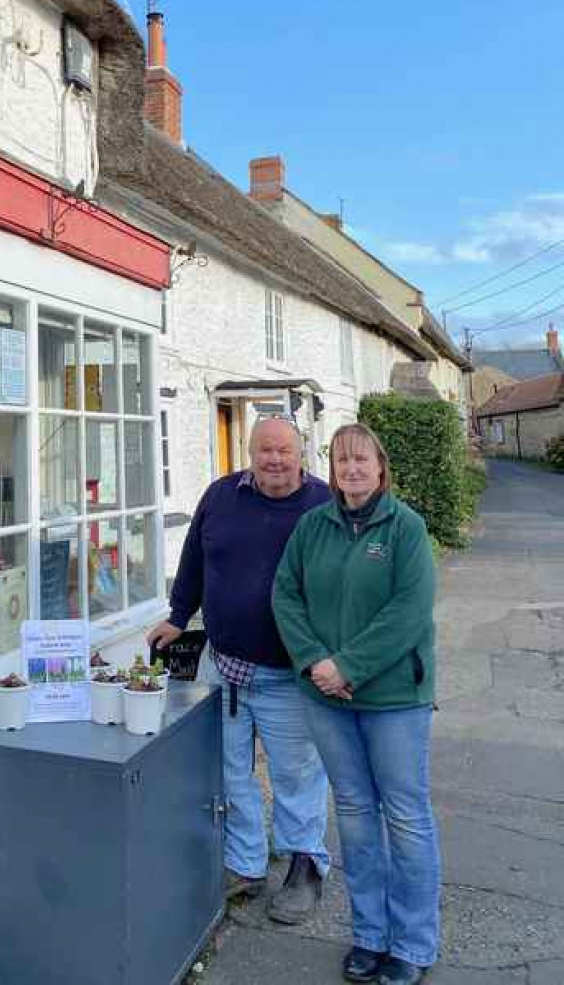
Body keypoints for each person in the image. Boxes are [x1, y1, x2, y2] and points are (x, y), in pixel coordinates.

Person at [147, 415, 332, 924]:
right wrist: (177, 617)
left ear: (301, 454)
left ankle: (305, 865)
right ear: (250, 452)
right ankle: (246, 863)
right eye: (264, 449)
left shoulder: (322, 505)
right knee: (231, 772)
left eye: (284, 450)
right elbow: (194, 562)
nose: (274, 459)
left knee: (296, 776)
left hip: (288, 676)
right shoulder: (221, 495)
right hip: (223, 667)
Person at [272, 423, 439, 985]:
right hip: (327, 699)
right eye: (342, 461)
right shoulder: (311, 527)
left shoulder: (406, 528)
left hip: (394, 700)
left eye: (361, 460)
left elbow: (408, 612)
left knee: (406, 817)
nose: (352, 469)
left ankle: (413, 944)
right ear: (333, 469)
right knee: (355, 816)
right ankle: (369, 936)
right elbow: (285, 594)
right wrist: (317, 661)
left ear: (380, 465)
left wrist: (349, 666)